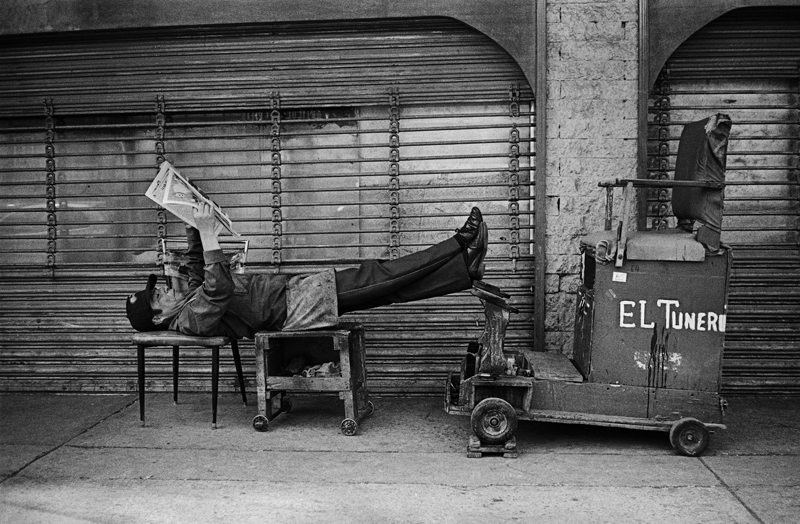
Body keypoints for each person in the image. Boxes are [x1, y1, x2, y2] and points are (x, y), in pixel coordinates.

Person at [126, 203, 488, 338]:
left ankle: (464, 272)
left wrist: (191, 216)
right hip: (298, 306)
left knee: (388, 288)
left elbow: (195, 263)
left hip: (296, 292)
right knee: (380, 275)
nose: (165, 289)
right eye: (157, 296)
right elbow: (217, 287)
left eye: (157, 288)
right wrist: (209, 234)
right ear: (158, 318)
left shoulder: (185, 301)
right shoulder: (190, 320)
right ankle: (459, 243)